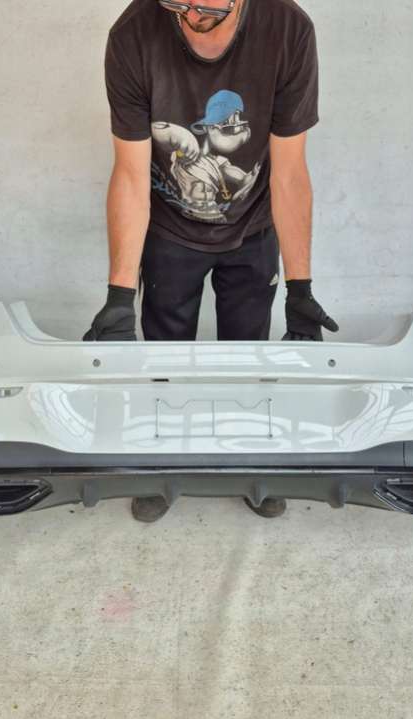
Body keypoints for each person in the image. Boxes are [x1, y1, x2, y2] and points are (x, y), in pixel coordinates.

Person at [83, 0, 339, 522]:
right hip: (170, 231)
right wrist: (119, 296)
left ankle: (252, 466)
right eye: (177, 3)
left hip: (253, 228)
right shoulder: (133, 35)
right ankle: (162, 469)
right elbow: (130, 175)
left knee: (247, 357)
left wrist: (301, 290)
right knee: (166, 360)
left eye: (204, 5)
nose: (189, 15)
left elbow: (290, 172)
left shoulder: (288, 30)